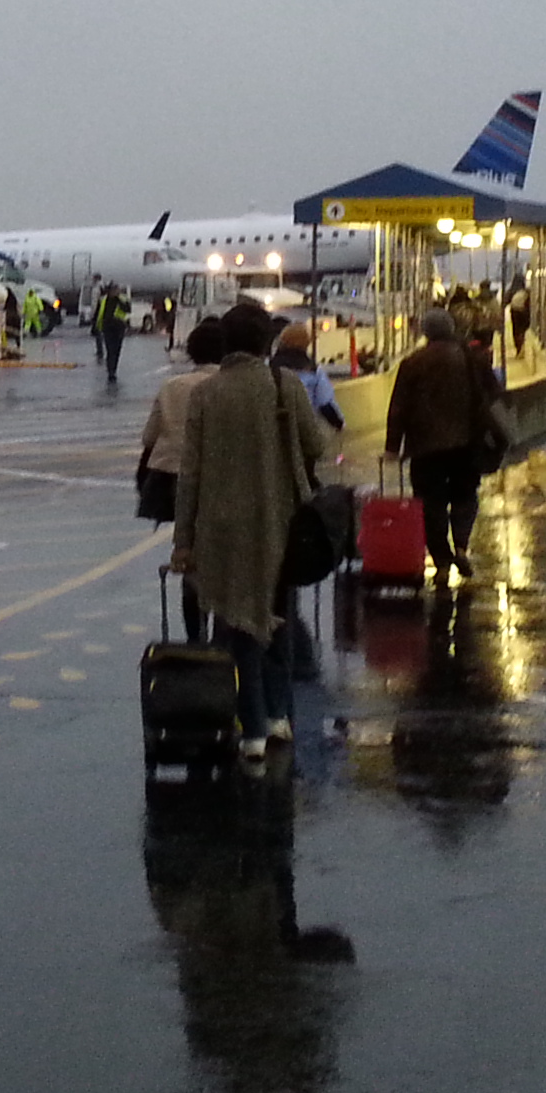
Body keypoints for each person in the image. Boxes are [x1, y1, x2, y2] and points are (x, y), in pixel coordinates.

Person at [175, 303, 339, 759]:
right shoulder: (284, 385)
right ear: (267, 342)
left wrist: (183, 541)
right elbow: (316, 444)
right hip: (279, 522)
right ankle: (279, 714)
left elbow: (190, 474)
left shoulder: (206, 394)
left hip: (220, 528)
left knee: (235, 625)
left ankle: (251, 730)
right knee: (277, 614)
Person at [385, 307, 501, 590]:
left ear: (426, 332)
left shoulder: (413, 363)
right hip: (467, 442)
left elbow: (399, 408)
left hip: (425, 447)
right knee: (465, 495)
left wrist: (392, 447)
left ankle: (442, 561)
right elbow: (495, 397)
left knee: (430, 503)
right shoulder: (473, 359)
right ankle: (461, 545)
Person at [138, 317, 224, 635]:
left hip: (172, 480)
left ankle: (194, 633)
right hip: (217, 482)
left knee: (189, 559)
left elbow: (149, 437)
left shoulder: (172, 386)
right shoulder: (227, 386)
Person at [271, 320, 341, 427]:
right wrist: (339, 424)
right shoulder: (313, 370)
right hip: (305, 424)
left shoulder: (269, 367)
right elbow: (324, 402)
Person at [94, 283, 132, 382]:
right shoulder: (103, 300)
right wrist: (95, 326)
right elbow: (98, 313)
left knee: (116, 350)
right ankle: (111, 371)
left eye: (116, 290)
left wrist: (119, 300)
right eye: (113, 290)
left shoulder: (122, 299)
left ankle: (113, 369)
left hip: (119, 327)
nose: (115, 292)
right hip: (107, 327)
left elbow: (128, 310)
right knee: (110, 350)